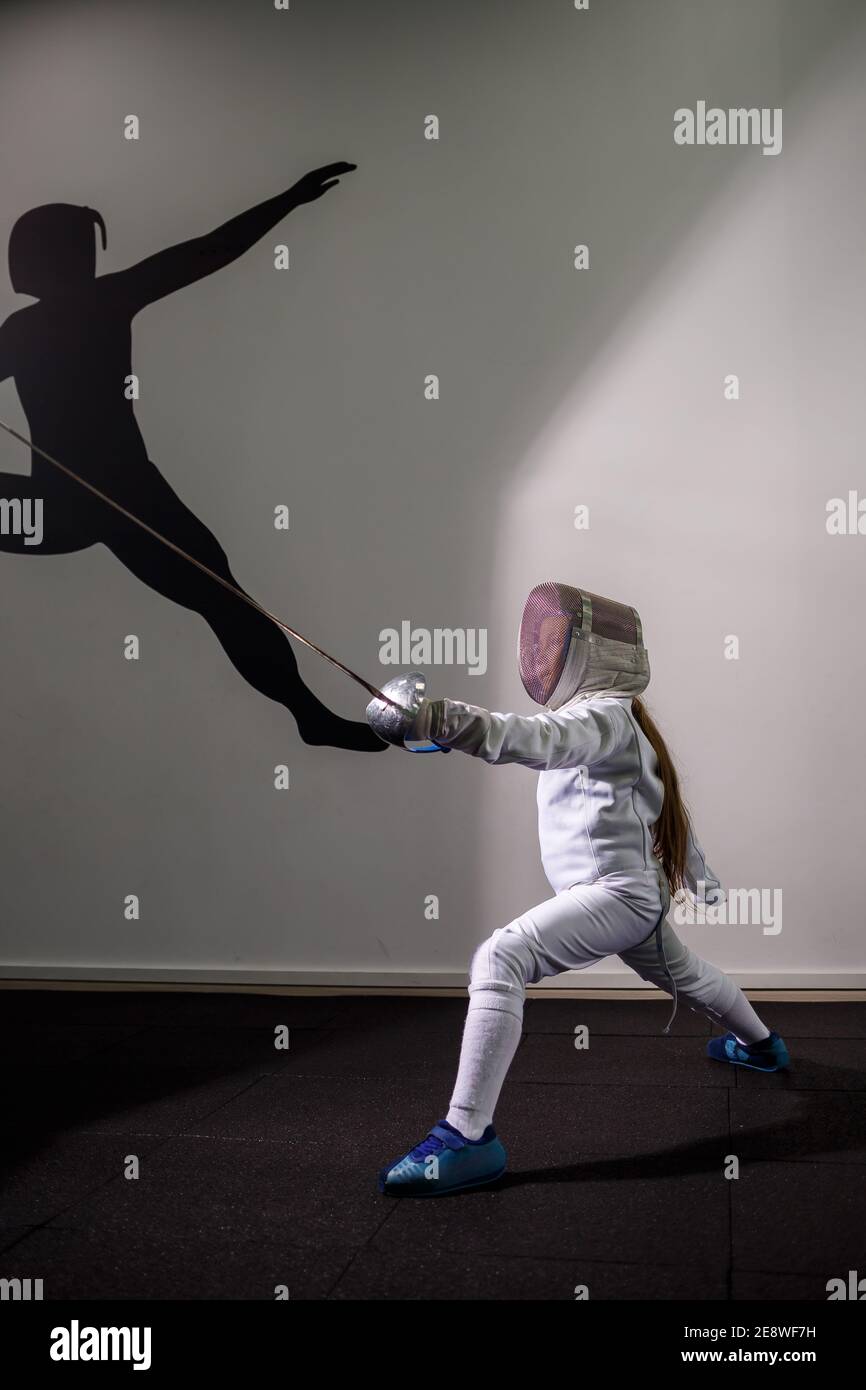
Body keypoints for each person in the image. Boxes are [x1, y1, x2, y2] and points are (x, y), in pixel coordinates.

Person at [371, 581, 789, 1197]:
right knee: (690, 977)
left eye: (553, 638)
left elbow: (537, 742)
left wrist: (443, 718)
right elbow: (662, 807)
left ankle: (467, 1139)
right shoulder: (619, 720)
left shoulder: (596, 718)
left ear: (586, 652)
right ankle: (762, 1047)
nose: (541, 649)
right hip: (627, 900)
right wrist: (431, 733)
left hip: (614, 897)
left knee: (500, 956)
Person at [0, 166, 383, 752]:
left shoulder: (85, 307)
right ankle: (308, 713)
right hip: (68, 503)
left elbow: (209, 251)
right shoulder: (55, 318)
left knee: (224, 597)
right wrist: (288, 197)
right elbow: (209, 250)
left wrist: (287, 199)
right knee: (223, 599)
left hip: (109, 501)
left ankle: (308, 714)